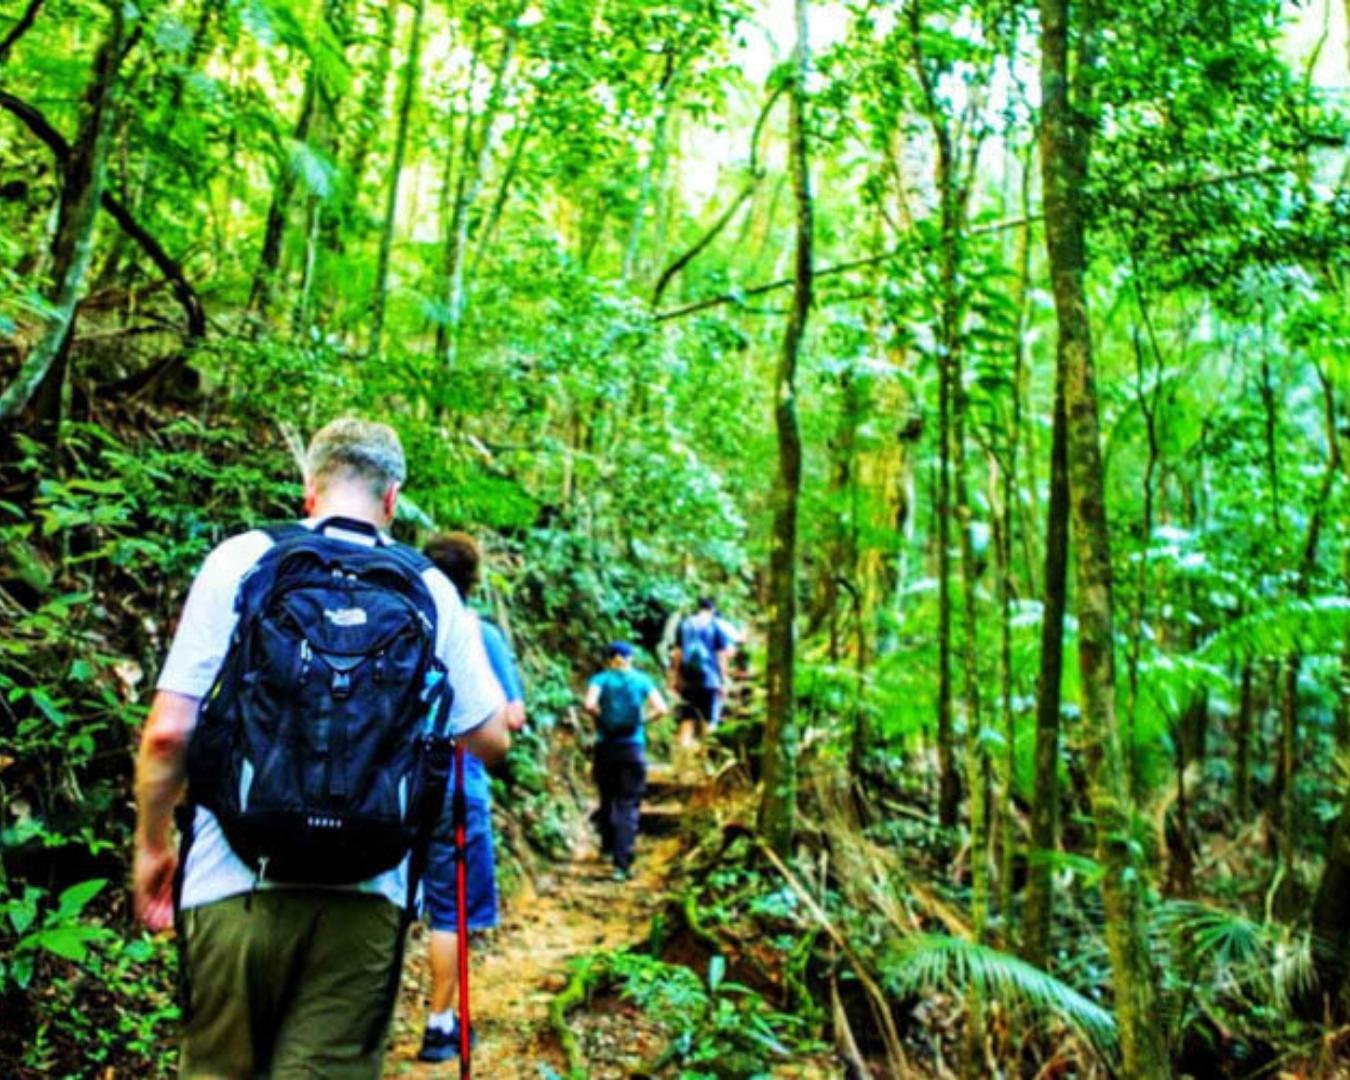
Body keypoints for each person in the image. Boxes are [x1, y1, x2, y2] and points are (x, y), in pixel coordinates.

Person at [133, 418, 512, 1079]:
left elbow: (168, 733)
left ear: (309, 487)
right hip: (366, 895)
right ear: (392, 498)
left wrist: (153, 845)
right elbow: (489, 739)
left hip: (231, 879)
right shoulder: (429, 588)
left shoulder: (241, 560)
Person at [417, 532, 527, 1063]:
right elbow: (511, 717)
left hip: (384, 789)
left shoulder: (399, 619)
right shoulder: (477, 632)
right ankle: (441, 1025)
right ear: (472, 580)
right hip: (455, 786)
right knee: (449, 911)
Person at [583, 642, 667, 881]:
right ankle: (622, 864)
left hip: (605, 748)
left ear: (609, 659)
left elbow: (589, 704)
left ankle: (608, 848)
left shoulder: (600, 679)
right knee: (628, 804)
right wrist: (642, 722)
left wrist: (602, 719)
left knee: (607, 798)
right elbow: (662, 708)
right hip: (633, 748)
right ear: (630, 658)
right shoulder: (642, 680)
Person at [668, 597, 733, 749]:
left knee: (687, 719)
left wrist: (675, 677)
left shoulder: (685, 624)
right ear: (713, 609)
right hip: (710, 679)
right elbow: (721, 655)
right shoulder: (715, 626)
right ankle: (706, 759)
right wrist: (724, 680)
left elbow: (677, 653)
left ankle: (683, 760)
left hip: (688, 679)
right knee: (710, 721)